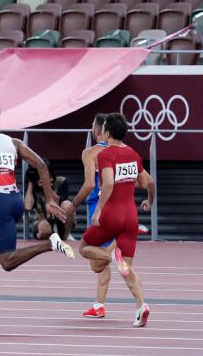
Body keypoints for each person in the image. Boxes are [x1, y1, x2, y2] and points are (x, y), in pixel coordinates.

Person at [0, 101, 75, 314]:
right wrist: (48, 199)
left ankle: (50, 244)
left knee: (7, 261)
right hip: (15, 200)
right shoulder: (13, 142)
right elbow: (42, 165)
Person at [79, 113, 154, 327]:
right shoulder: (133, 153)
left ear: (107, 133)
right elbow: (147, 182)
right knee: (127, 269)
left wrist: (98, 211)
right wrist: (149, 201)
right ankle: (141, 306)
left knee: (84, 247)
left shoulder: (105, 155)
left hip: (112, 215)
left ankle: (111, 255)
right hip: (131, 217)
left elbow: (109, 183)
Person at [67, 114, 114, 318]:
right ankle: (99, 305)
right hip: (119, 207)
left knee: (92, 256)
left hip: (98, 209)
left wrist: (73, 204)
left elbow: (89, 184)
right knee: (102, 261)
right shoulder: (121, 151)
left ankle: (115, 250)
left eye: (91, 127)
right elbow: (145, 181)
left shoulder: (91, 152)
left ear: (97, 130)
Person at [24, 159, 75, 240]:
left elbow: (60, 201)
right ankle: (44, 237)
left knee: (68, 205)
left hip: (60, 219)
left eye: (42, 173)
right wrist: (31, 182)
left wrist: (46, 185)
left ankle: (65, 238)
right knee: (44, 228)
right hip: (42, 220)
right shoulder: (33, 186)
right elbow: (28, 207)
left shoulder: (61, 182)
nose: (39, 176)